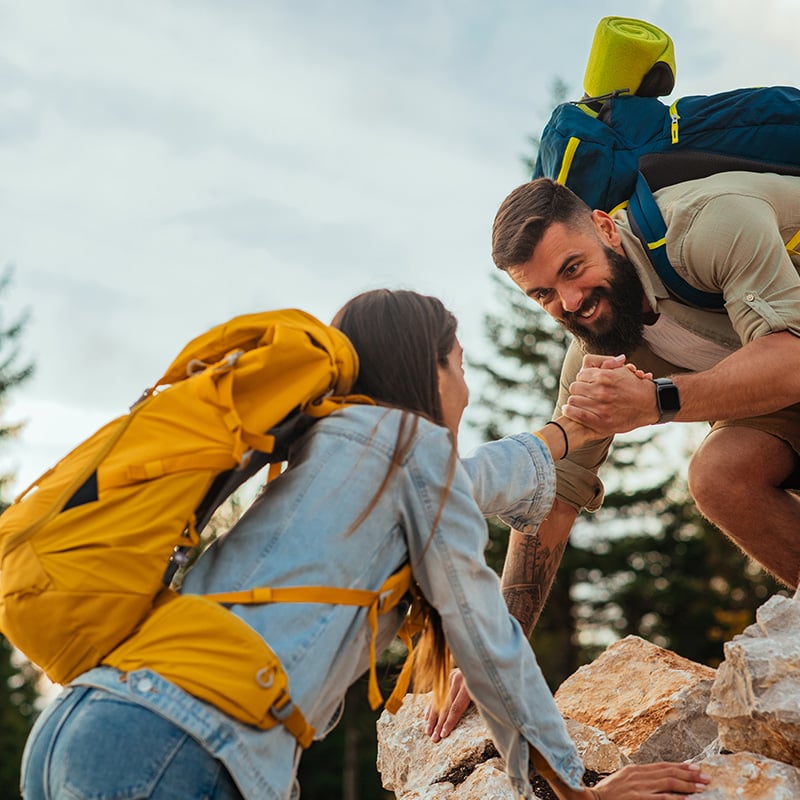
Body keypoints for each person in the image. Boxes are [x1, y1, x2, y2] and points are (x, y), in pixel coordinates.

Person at [20, 289, 708, 800]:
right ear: (428, 370)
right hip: (176, 746)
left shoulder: (336, 452)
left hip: (84, 727)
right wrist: (573, 789)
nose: (466, 389)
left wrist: (567, 432)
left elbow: (465, 488)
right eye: (460, 366)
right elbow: (486, 635)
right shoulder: (409, 454)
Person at [427, 170, 800, 740]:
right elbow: (554, 492)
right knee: (720, 475)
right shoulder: (593, 350)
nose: (570, 302)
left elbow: (791, 362)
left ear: (606, 228)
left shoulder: (710, 222)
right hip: (776, 391)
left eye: (573, 269)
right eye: (543, 294)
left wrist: (655, 401)